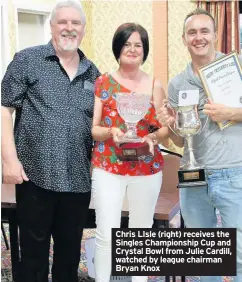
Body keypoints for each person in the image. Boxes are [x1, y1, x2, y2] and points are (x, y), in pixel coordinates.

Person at [1, 0, 100, 281]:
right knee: (33, 254)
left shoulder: (93, 73)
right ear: (52, 26)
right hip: (35, 176)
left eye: (75, 23)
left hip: (78, 181)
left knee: (69, 254)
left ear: (83, 29)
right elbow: (3, 108)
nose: (69, 28)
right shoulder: (27, 60)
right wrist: (9, 160)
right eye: (63, 22)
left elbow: (102, 124)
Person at [157, 8, 242, 282]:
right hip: (194, 179)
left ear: (216, 35)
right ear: (184, 39)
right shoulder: (177, 83)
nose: (199, 37)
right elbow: (181, 140)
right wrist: (170, 123)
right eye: (192, 32)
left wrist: (231, 113)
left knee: (239, 256)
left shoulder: (235, 69)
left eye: (204, 31)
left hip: (234, 174)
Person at [91, 23, 169, 282]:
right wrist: (111, 132)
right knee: (106, 234)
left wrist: (151, 136)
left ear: (144, 50)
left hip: (146, 170)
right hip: (108, 168)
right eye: (126, 44)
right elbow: (94, 130)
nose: (132, 49)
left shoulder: (156, 85)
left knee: (139, 235)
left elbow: (164, 131)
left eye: (138, 44)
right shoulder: (102, 82)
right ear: (118, 48)